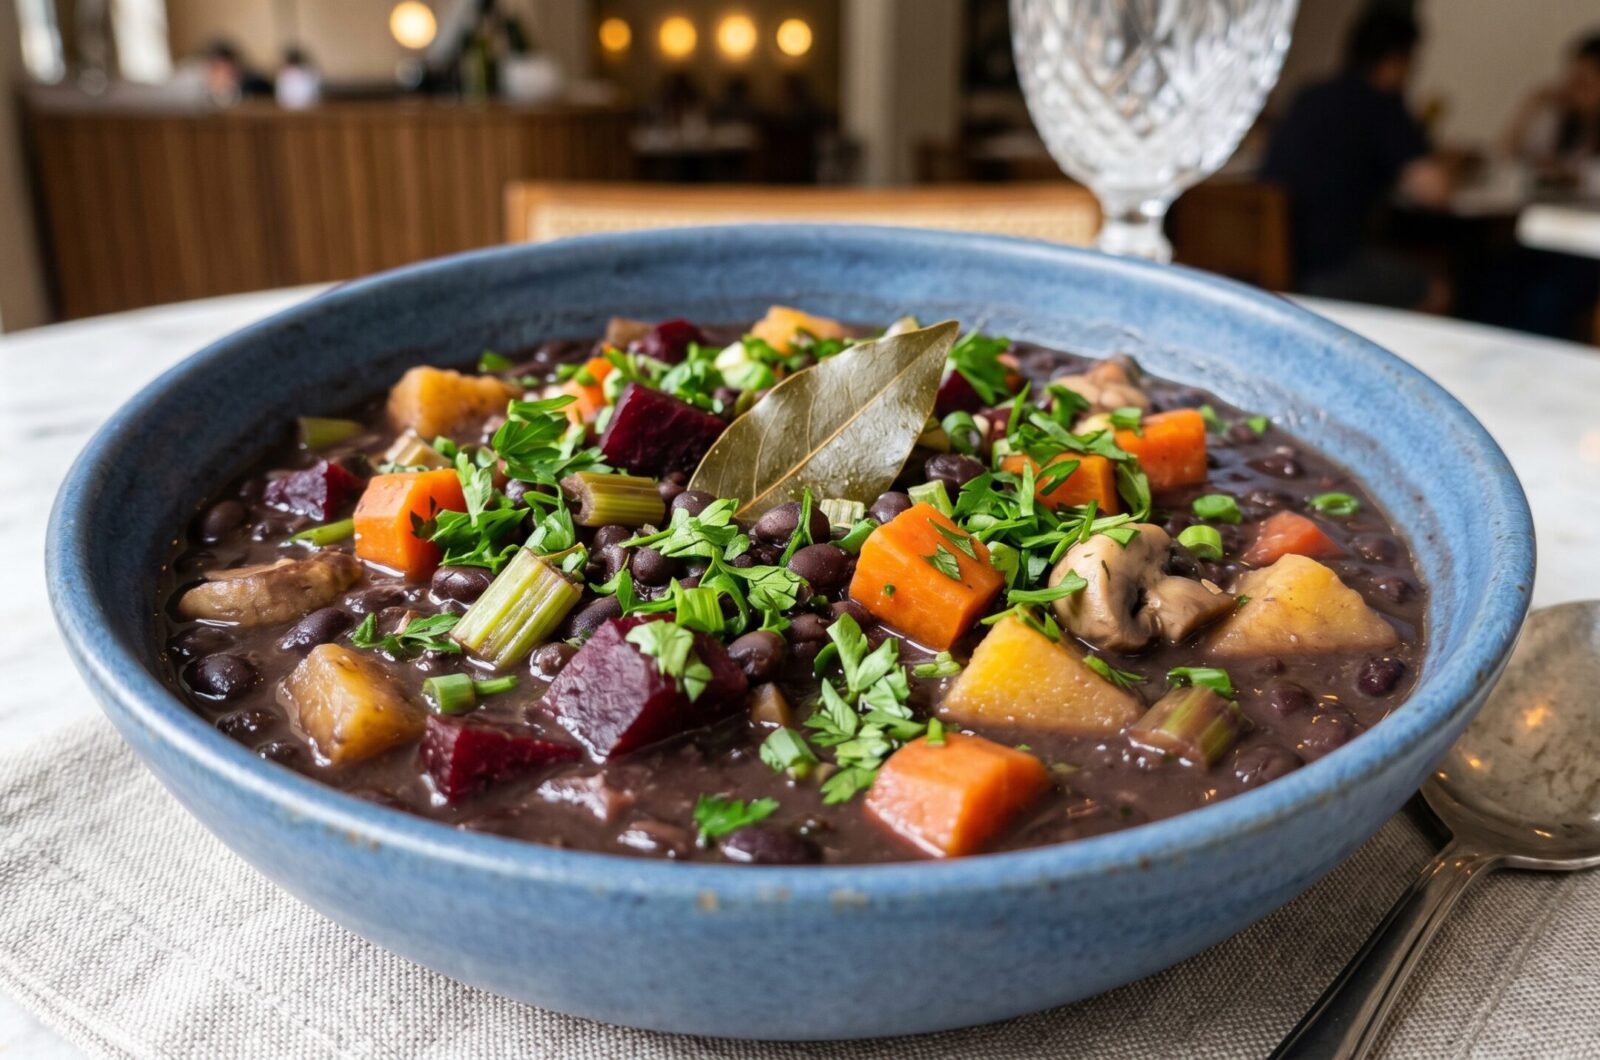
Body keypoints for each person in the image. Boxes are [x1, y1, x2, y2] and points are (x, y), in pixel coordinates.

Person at [1260, 8, 1452, 310]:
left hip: (1268, 259)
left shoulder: (1308, 95)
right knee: (1436, 290)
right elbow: (1435, 192)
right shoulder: (1382, 104)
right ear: (1396, 61)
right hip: (1328, 267)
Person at [1502, 33, 1600, 176]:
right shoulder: (1562, 123)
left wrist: (1567, 175)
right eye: (1571, 80)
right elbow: (1506, 156)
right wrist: (1530, 105)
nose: (1572, 89)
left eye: (1583, 83)